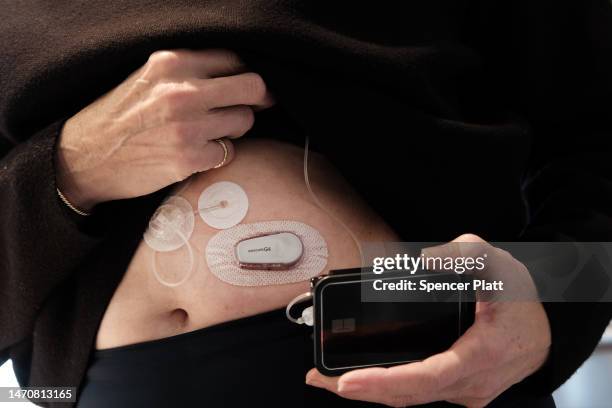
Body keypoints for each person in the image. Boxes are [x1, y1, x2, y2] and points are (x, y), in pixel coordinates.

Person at [1, 1, 611, 407]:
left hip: (432, 361)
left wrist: (553, 308)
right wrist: (70, 169)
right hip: (121, 386)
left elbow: (596, 144)